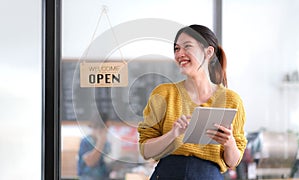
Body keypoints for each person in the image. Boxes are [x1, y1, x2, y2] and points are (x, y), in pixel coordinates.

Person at [137, 24, 247, 180]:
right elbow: (146, 151)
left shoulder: (232, 100)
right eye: (176, 49)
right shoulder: (163, 94)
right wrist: (173, 134)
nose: (179, 53)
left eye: (187, 46)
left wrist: (229, 143)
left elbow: (233, 161)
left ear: (208, 52)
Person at [77, 115, 111, 180]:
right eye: (107, 127)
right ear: (98, 127)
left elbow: (105, 162)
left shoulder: (106, 143)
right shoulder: (86, 141)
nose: (108, 131)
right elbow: (90, 162)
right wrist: (100, 142)